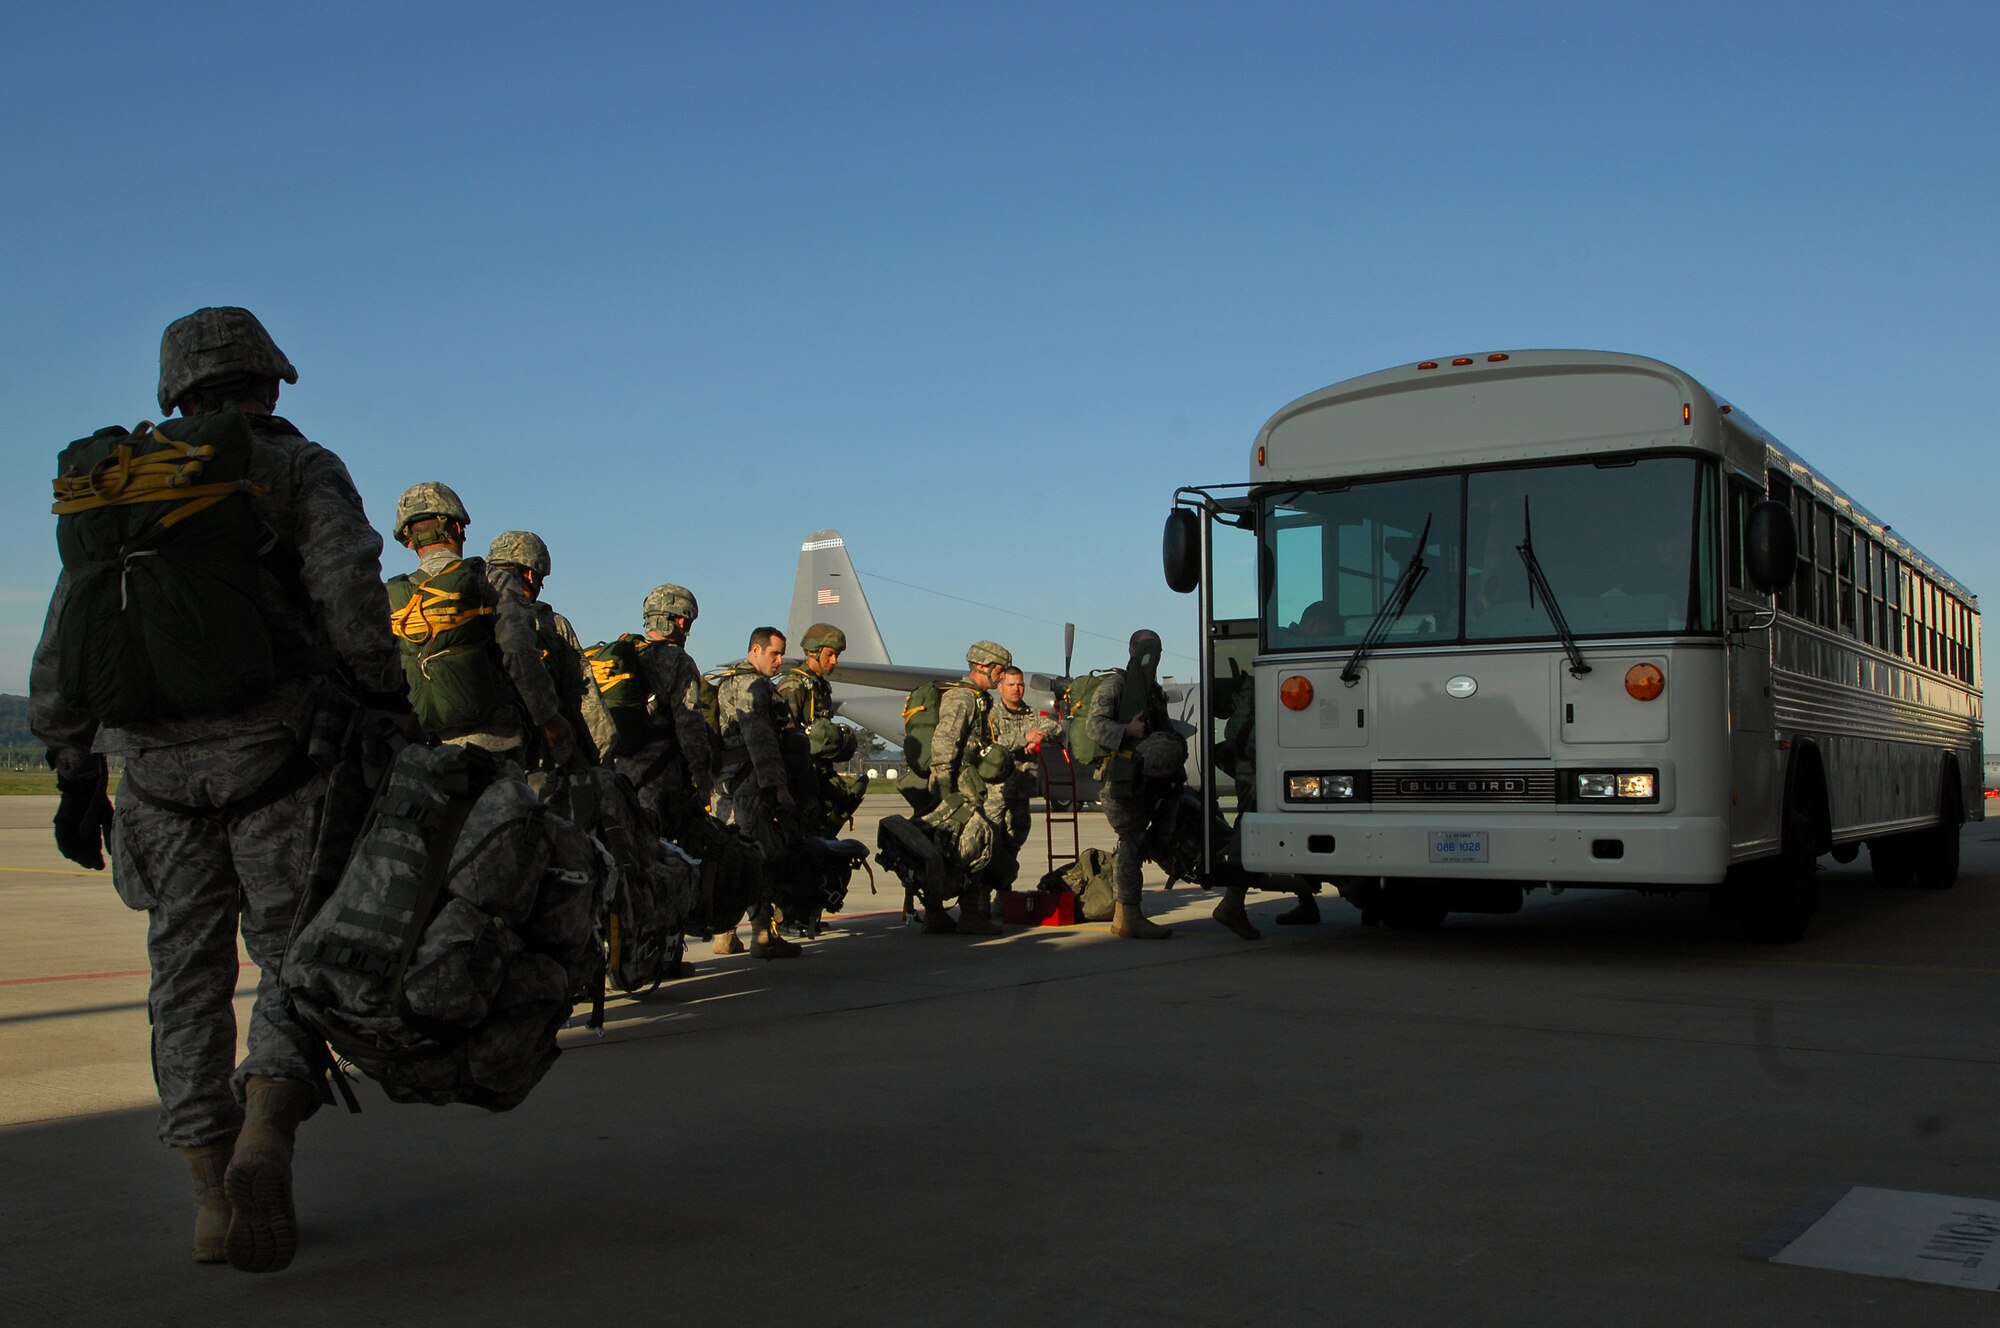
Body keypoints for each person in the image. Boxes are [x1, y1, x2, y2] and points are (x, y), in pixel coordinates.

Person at [30, 306, 413, 1272]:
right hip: (276, 759)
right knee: (293, 958)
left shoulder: (122, 482)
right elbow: (347, 585)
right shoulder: (295, 465)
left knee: (182, 980)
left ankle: (207, 1195)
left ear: (174, 387)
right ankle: (266, 1128)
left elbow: (65, 633)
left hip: (152, 777)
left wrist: (75, 769)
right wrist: (381, 693)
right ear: (270, 379)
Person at [385, 484, 573, 764]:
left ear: (409, 540)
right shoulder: (491, 580)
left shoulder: (391, 596)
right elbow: (519, 655)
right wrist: (549, 717)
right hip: (492, 744)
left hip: (421, 749)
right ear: (458, 528)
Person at [1082, 629, 1184, 939]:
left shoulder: (1151, 690)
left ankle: (1127, 910)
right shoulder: (1116, 685)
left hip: (1148, 779)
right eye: (1145, 649)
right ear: (1130, 650)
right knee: (1131, 842)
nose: (1152, 656)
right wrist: (1128, 729)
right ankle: (1127, 914)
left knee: (1147, 839)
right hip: (1120, 779)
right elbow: (1094, 727)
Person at [712, 627, 804, 958]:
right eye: (774, 654)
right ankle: (763, 935)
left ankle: (724, 934)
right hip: (748, 781)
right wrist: (778, 786)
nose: (780, 660)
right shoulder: (751, 685)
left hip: (724, 783)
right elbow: (760, 739)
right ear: (755, 650)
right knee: (755, 855)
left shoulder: (728, 680)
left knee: (727, 855)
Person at [487, 530, 602, 768]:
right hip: (536, 755)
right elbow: (585, 698)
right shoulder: (551, 624)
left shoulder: (465, 610)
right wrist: (602, 756)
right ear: (531, 573)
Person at [926, 640, 1012, 935]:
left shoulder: (978, 699)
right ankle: (970, 913)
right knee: (973, 843)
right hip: (956, 783)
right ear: (983, 667)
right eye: (1000, 670)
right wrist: (945, 789)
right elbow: (944, 742)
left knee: (947, 846)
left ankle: (936, 913)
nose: (1003, 676)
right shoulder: (961, 698)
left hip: (966, 781)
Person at [982, 664, 1061, 897]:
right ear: (1000, 686)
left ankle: (1003, 892)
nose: (1016, 689)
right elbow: (989, 743)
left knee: (1015, 839)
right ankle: (981, 896)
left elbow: (1056, 728)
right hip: (996, 791)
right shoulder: (990, 716)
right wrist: (1022, 738)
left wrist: (1041, 734)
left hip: (1021, 790)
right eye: (1011, 685)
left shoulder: (1032, 715)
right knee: (990, 841)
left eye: (1020, 685)